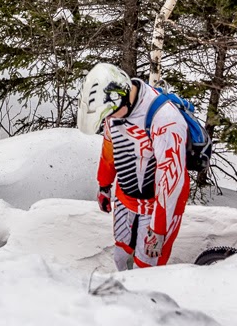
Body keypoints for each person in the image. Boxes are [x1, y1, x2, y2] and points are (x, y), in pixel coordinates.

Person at [77, 63, 189, 270]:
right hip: (126, 195)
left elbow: (170, 180)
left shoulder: (165, 120)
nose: (108, 120)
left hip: (159, 203)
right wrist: (104, 185)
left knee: (145, 269)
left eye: (110, 114)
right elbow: (110, 147)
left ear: (124, 97)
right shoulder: (114, 109)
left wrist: (159, 229)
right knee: (120, 256)